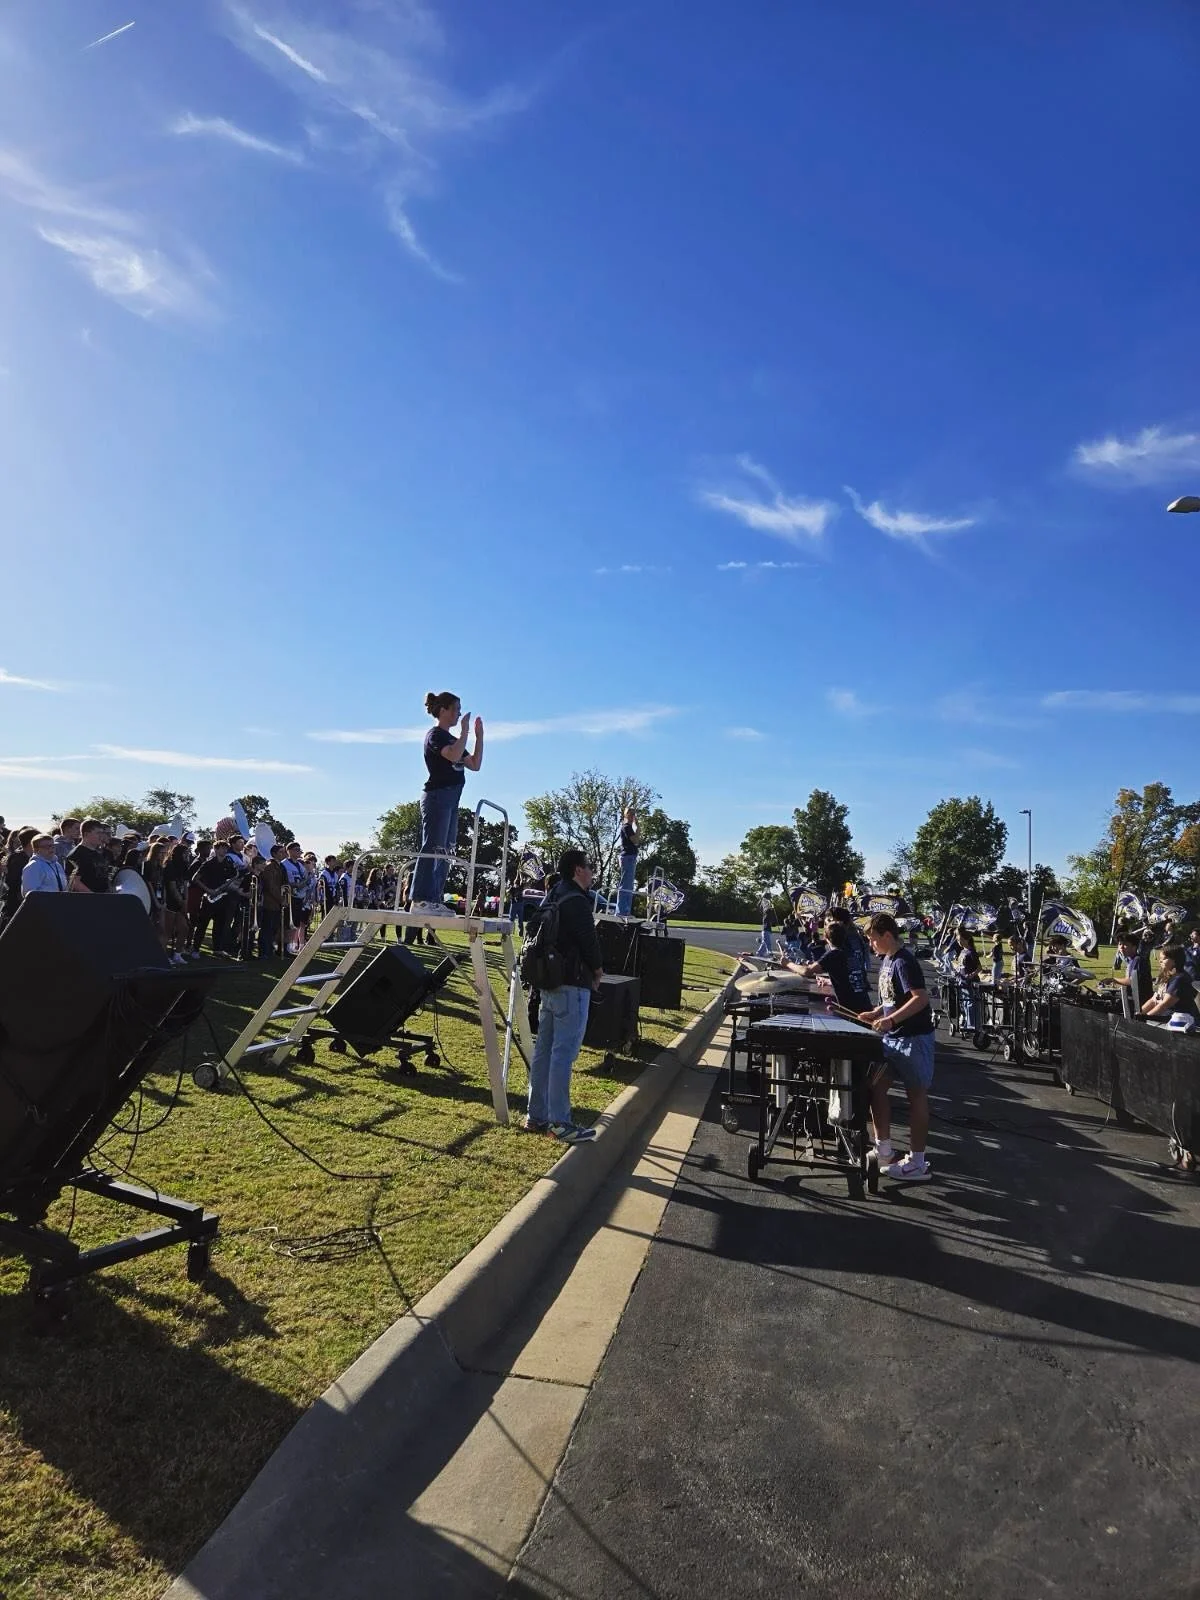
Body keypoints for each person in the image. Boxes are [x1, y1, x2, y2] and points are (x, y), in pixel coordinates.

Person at [524, 849, 604, 1144]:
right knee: (562, 1054)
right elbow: (588, 941)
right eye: (589, 867)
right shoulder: (577, 901)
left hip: (549, 983)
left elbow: (533, 929)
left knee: (543, 1051)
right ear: (577, 870)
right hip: (573, 984)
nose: (592, 872)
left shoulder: (553, 894)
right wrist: (597, 970)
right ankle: (560, 1122)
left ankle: (536, 1115)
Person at [859, 912, 935, 1182]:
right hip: (893, 1039)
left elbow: (920, 998)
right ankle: (884, 1150)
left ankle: (917, 1162)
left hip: (913, 1039)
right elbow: (895, 996)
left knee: (916, 1096)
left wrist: (890, 1020)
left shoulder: (904, 961)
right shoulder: (888, 960)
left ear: (887, 935)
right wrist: (877, 1011)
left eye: (873, 939)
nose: (871, 945)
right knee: (875, 1087)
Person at [409, 690, 484, 917]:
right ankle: (420, 899)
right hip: (437, 795)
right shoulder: (436, 735)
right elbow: (452, 755)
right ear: (443, 710)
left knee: (446, 849)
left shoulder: (453, 739)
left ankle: (434, 898)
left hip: (452, 798)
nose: (459, 714)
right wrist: (464, 732)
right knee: (432, 845)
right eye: (456, 710)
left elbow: (474, 764)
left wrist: (479, 738)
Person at [799, 920, 869, 1013]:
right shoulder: (852, 953)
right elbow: (852, 979)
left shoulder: (834, 954)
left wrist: (787, 963)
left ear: (825, 937)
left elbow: (807, 971)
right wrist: (829, 981)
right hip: (866, 1005)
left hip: (851, 1009)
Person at [1140, 946, 1200, 1025]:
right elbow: (1153, 1000)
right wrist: (1139, 1013)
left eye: (1164, 958)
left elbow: (1164, 1005)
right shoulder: (1168, 976)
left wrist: (1145, 1018)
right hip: (1167, 1017)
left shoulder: (1179, 979)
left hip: (1181, 1022)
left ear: (1175, 961)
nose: (1160, 961)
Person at [67, 818, 111, 895]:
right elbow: (75, 882)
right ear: (86, 834)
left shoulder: (97, 853)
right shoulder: (77, 854)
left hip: (102, 899)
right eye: (98, 833)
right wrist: (95, 897)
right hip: (86, 901)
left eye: (102, 833)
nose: (101, 836)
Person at [1111, 930, 1153, 1008]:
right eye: (1120, 944)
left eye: (1125, 945)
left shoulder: (1138, 960)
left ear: (1134, 947)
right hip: (1134, 998)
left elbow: (1131, 981)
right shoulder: (1131, 960)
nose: (1121, 947)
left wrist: (1113, 980)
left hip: (1139, 1003)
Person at [616, 805, 639, 916]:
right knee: (625, 884)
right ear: (626, 815)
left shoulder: (630, 828)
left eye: (633, 814)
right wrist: (638, 827)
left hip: (631, 857)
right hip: (627, 857)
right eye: (630, 814)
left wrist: (638, 828)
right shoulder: (626, 827)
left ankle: (626, 910)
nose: (632, 816)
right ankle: (622, 911)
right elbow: (634, 840)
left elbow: (637, 839)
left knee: (629, 885)